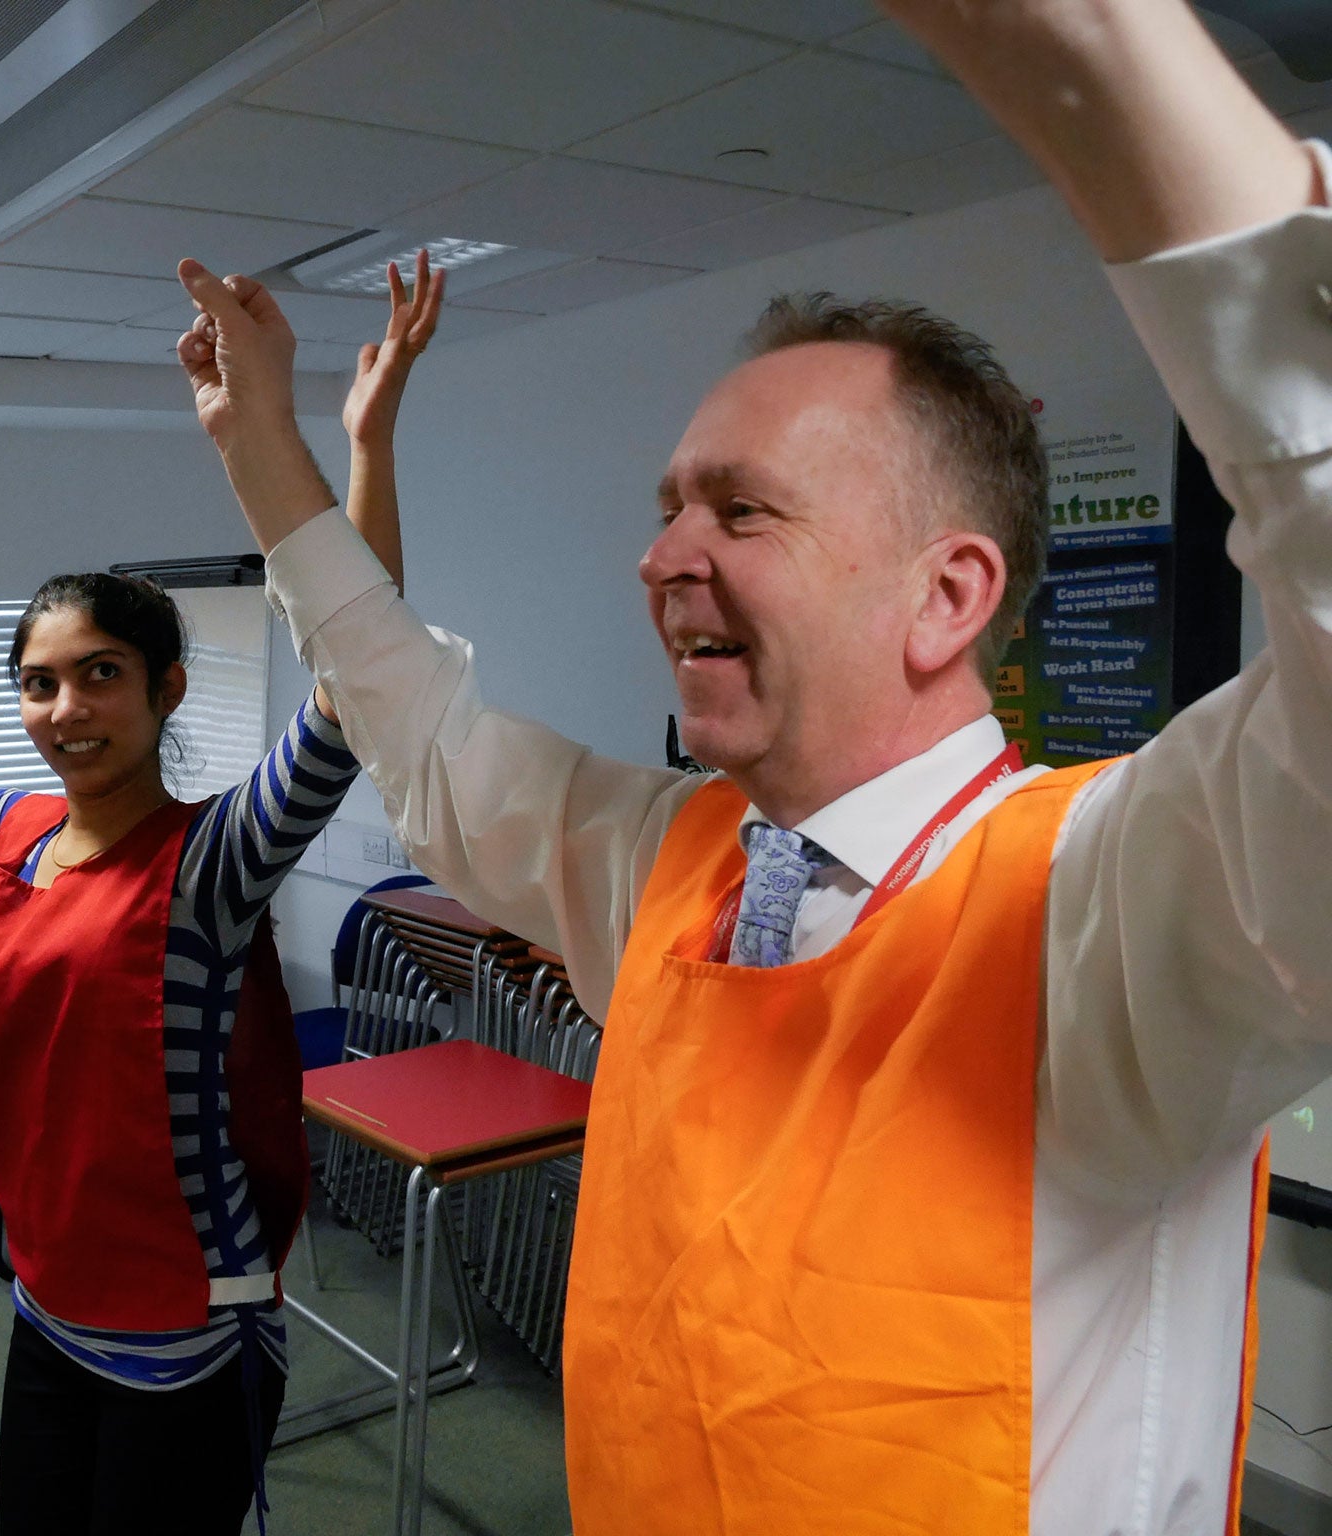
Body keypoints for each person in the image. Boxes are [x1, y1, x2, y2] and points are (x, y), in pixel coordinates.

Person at [172, 1, 1332, 1530]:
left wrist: (1099, 52)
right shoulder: (674, 863)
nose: (659, 558)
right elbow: (428, 743)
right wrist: (263, 450)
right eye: (671, 507)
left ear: (948, 596)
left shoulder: (1118, 899)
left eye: (741, 511)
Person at [0, 269, 439, 1536]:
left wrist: (363, 450)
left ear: (164, 689)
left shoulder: (214, 857)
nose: (65, 712)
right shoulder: (9, 834)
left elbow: (359, 674)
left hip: (184, 1320)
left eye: (99, 676)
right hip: (45, 1300)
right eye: (40, 684)